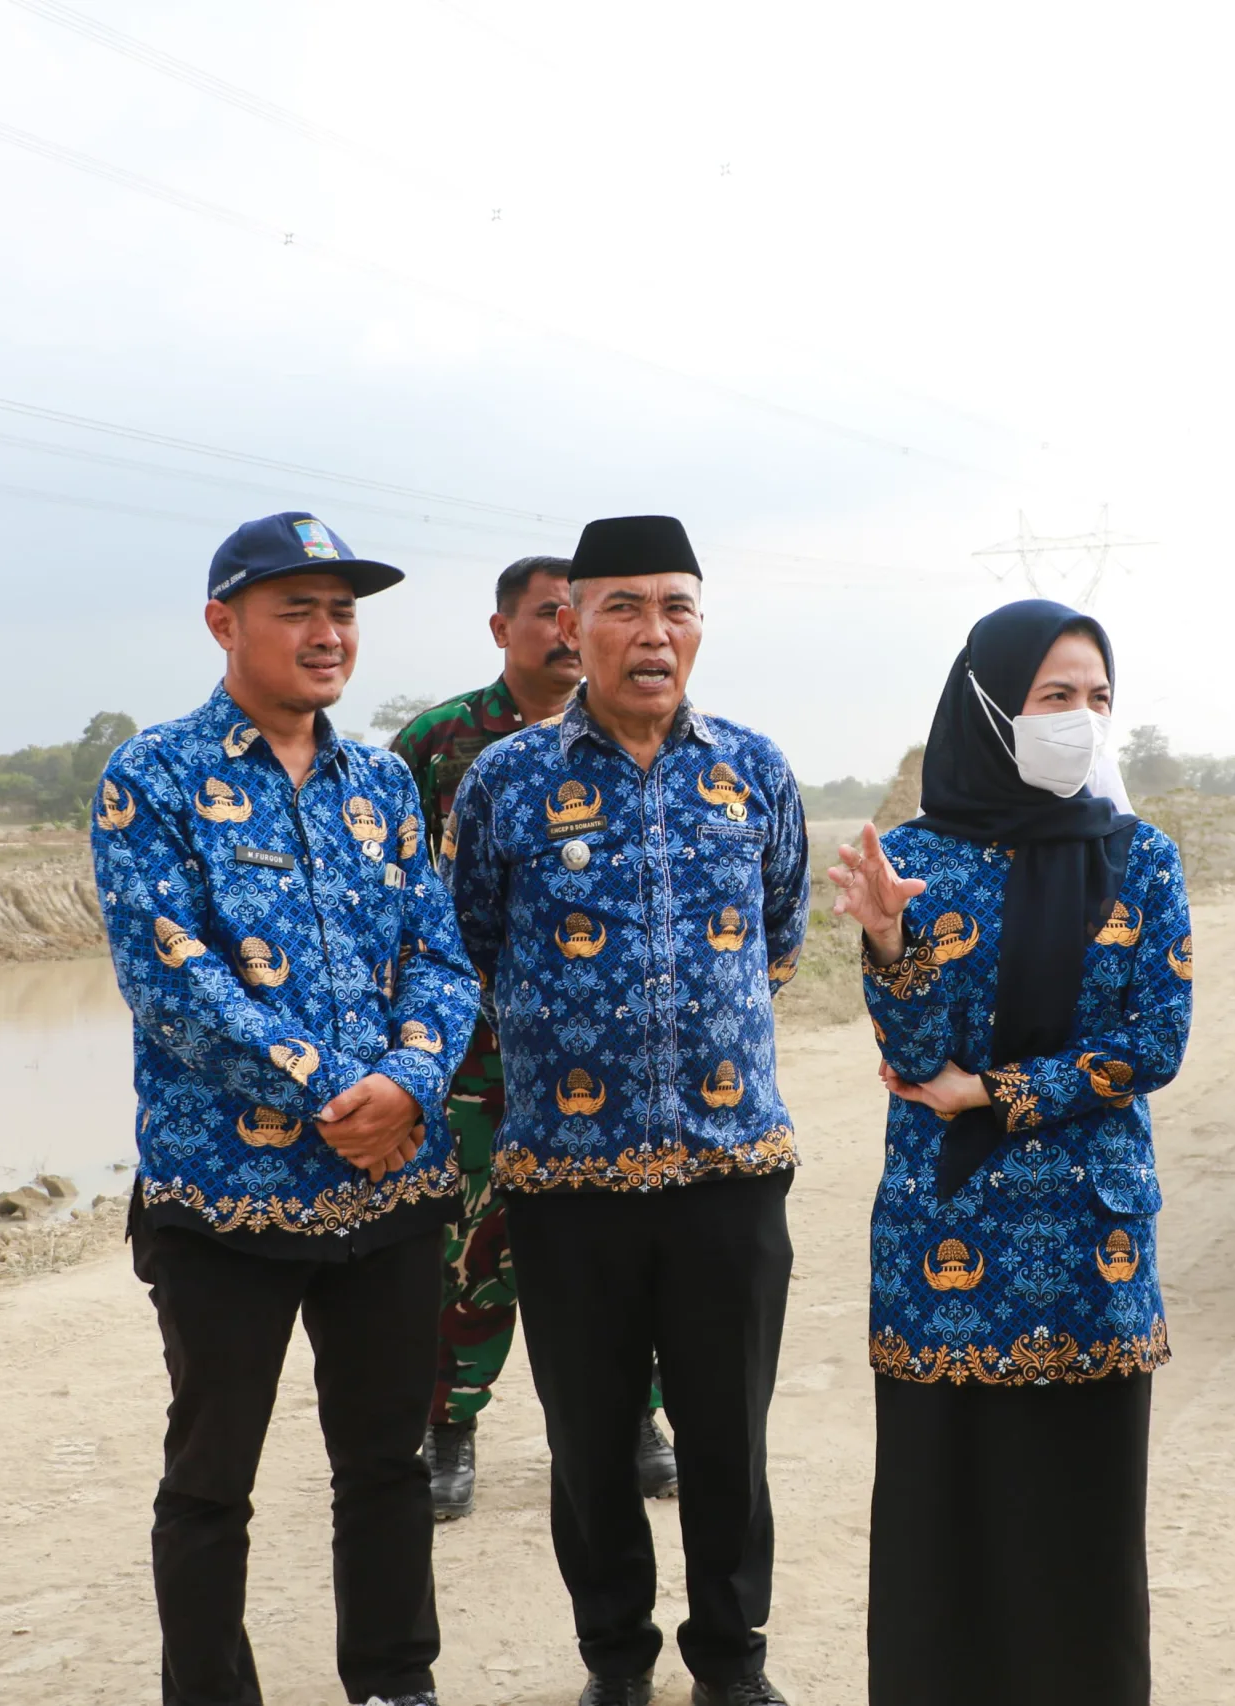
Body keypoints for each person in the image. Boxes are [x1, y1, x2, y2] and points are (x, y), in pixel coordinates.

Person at [90, 511, 479, 1706]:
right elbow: (173, 975)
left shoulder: (384, 783)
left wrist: (407, 1082)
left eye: (343, 611)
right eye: (297, 609)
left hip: (391, 1185)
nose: (328, 634)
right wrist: (330, 1090)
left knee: (385, 1463)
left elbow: (441, 955)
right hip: (226, 1196)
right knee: (211, 1479)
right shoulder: (154, 775)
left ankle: (395, 1682)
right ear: (224, 622)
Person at [447, 516, 805, 1706]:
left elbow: (780, 940)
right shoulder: (505, 781)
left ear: (698, 625)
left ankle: (733, 1662)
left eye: (676, 608)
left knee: (727, 1440)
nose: (654, 632)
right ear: (573, 624)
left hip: (730, 1174)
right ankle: (616, 1661)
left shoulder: (753, 768)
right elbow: (469, 947)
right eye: (624, 607)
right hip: (567, 1185)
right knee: (591, 1446)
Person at [829, 599, 1193, 1706]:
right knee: (944, 1527)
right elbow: (913, 1060)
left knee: (1081, 1534)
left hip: (1091, 1250)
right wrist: (888, 940)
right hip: (947, 1243)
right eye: (1054, 696)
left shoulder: (1141, 857)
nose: (1081, 718)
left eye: (1097, 697)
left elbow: (1155, 1042)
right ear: (989, 707)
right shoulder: (912, 860)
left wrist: (998, 1092)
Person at [390, 556, 679, 1519]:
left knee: (623, 1243)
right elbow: (393, 895)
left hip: (600, 1061)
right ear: (502, 629)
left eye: (574, 612)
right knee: (467, 1247)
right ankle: (449, 1428)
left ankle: (638, 1421)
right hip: (474, 1059)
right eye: (547, 613)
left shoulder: (640, 736)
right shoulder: (438, 744)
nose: (564, 631)